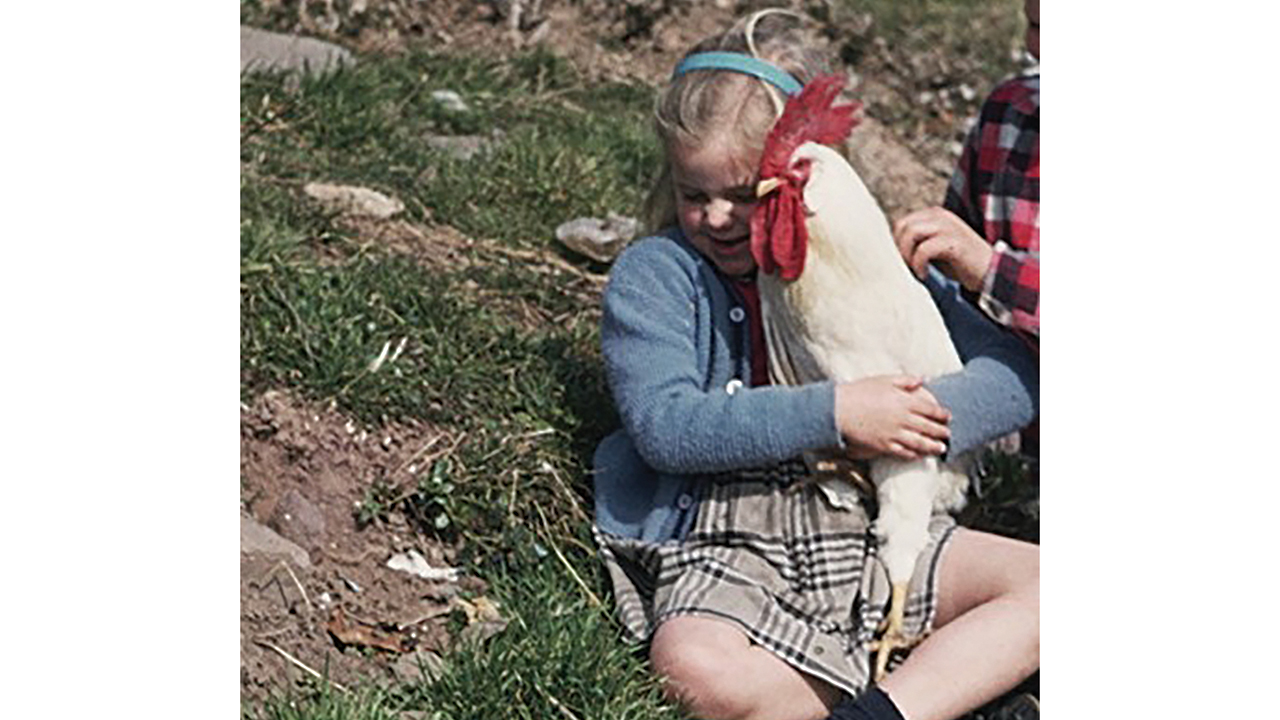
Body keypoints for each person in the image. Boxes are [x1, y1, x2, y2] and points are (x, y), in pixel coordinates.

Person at [591, 10, 1038, 720]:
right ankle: (922, 686)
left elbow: (1015, 376)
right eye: (693, 194)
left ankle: (877, 706)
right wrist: (837, 415)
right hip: (731, 539)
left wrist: (909, 418)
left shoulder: (878, 269)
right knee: (692, 666)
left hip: (879, 530)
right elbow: (665, 426)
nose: (717, 217)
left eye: (745, 194)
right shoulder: (661, 275)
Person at [894, 0, 1040, 349]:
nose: (1038, 48)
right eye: (1036, 26)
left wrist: (989, 269)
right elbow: (956, 258)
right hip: (991, 353)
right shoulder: (1007, 113)